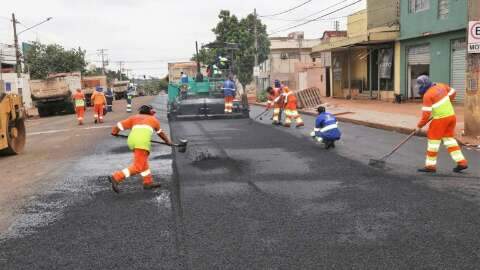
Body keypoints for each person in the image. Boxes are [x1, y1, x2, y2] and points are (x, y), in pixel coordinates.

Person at [109, 105, 173, 193]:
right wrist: (168, 142)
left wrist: (114, 132)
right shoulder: (154, 120)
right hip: (142, 143)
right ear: (151, 112)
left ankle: (148, 182)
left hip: (132, 140)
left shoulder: (134, 118)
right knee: (138, 167)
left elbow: (119, 125)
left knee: (143, 162)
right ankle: (116, 177)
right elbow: (160, 133)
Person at [415, 75, 468, 173]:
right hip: (451, 117)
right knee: (449, 140)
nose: (418, 88)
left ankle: (430, 166)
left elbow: (426, 115)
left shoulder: (427, 95)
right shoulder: (440, 85)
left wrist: (419, 126)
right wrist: (447, 100)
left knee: (433, 142)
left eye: (419, 85)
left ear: (424, 85)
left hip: (440, 120)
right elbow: (453, 91)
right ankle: (462, 162)